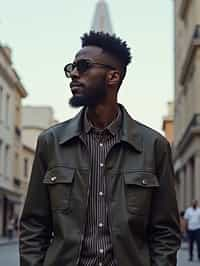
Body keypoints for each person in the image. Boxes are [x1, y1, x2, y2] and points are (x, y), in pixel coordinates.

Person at [19, 31, 181, 266]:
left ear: (113, 76)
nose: (73, 74)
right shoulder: (50, 141)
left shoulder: (154, 145)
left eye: (83, 66)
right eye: (71, 68)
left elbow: (165, 231)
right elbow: (34, 225)